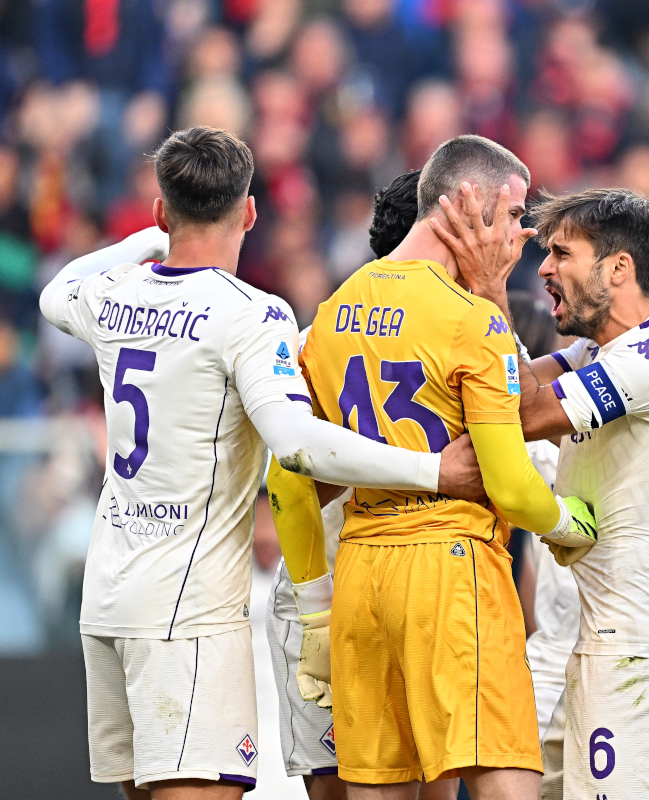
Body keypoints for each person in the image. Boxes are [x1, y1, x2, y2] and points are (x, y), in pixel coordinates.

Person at [38, 127, 484, 799]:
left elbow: (54, 293)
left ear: (162, 210)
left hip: (106, 603)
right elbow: (297, 444)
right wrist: (433, 471)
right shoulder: (251, 314)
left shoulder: (113, 295)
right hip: (184, 614)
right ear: (249, 211)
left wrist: (146, 241)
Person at [266, 135, 597, 800]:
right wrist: (572, 525)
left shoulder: (329, 315)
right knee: (505, 781)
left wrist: (315, 615)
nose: (520, 236)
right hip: (451, 575)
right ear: (468, 202)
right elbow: (506, 483)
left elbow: (288, 480)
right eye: (511, 216)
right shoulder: (474, 321)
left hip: (359, 578)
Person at [429, 186, 649, 800]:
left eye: (562, 252)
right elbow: (502, 398)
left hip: (643, 648)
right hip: (600, 641)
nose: (542, 267)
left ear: (619, 267)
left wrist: (488, 292)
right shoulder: (600, 351)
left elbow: (528, 413)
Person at [265, 169, 470, 800]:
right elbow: (289, 478)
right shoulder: (462, 337)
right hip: (345, 588)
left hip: (377, 590)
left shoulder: (319, 330)